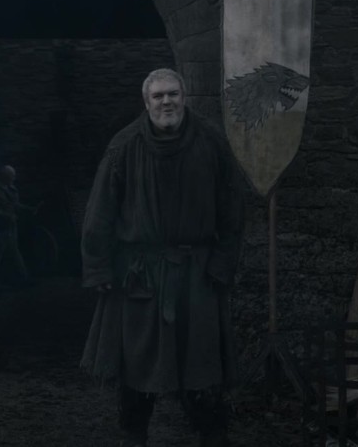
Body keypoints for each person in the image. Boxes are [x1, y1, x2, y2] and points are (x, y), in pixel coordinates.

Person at [80, 69, 244, 447]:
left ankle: (212, 436)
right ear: (146, 102)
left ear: (184, 97)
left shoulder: (211, 142)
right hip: (141, 275)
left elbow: (233, 210)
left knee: (201, 366)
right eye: (158, 96)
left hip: (196, 274)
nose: (166, 102)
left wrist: (222, 263)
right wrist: (99, 267)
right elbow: (100, 211)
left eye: (173, 94)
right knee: (136, 366)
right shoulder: (124, 146)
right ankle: (134, 436)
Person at [0, 165, 39, 288]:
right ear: (4, 176)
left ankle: (23, 278)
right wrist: (6, 216)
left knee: (14, 252)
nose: (14, 179)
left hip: (10, 226)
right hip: (0, 227)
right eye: (11, 176)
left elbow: (15, 204)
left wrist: (29, 209)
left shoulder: (10, 188)